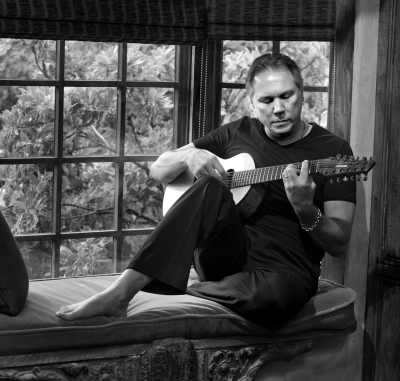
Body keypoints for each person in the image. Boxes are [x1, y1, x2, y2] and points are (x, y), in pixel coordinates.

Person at [56, 53, 356, 324]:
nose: (278, 109)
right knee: (211, 184)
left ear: (301, 93)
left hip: (285, 269)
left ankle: (191, 288)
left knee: (269, 299)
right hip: (224, 256)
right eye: (267, 100)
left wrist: (305, 209)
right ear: (252, 103)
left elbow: (338, 243)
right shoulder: (237, 132)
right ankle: (120, 294)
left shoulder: (335, 152)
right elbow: (158, 170)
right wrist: (188, 156)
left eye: (286, 96)